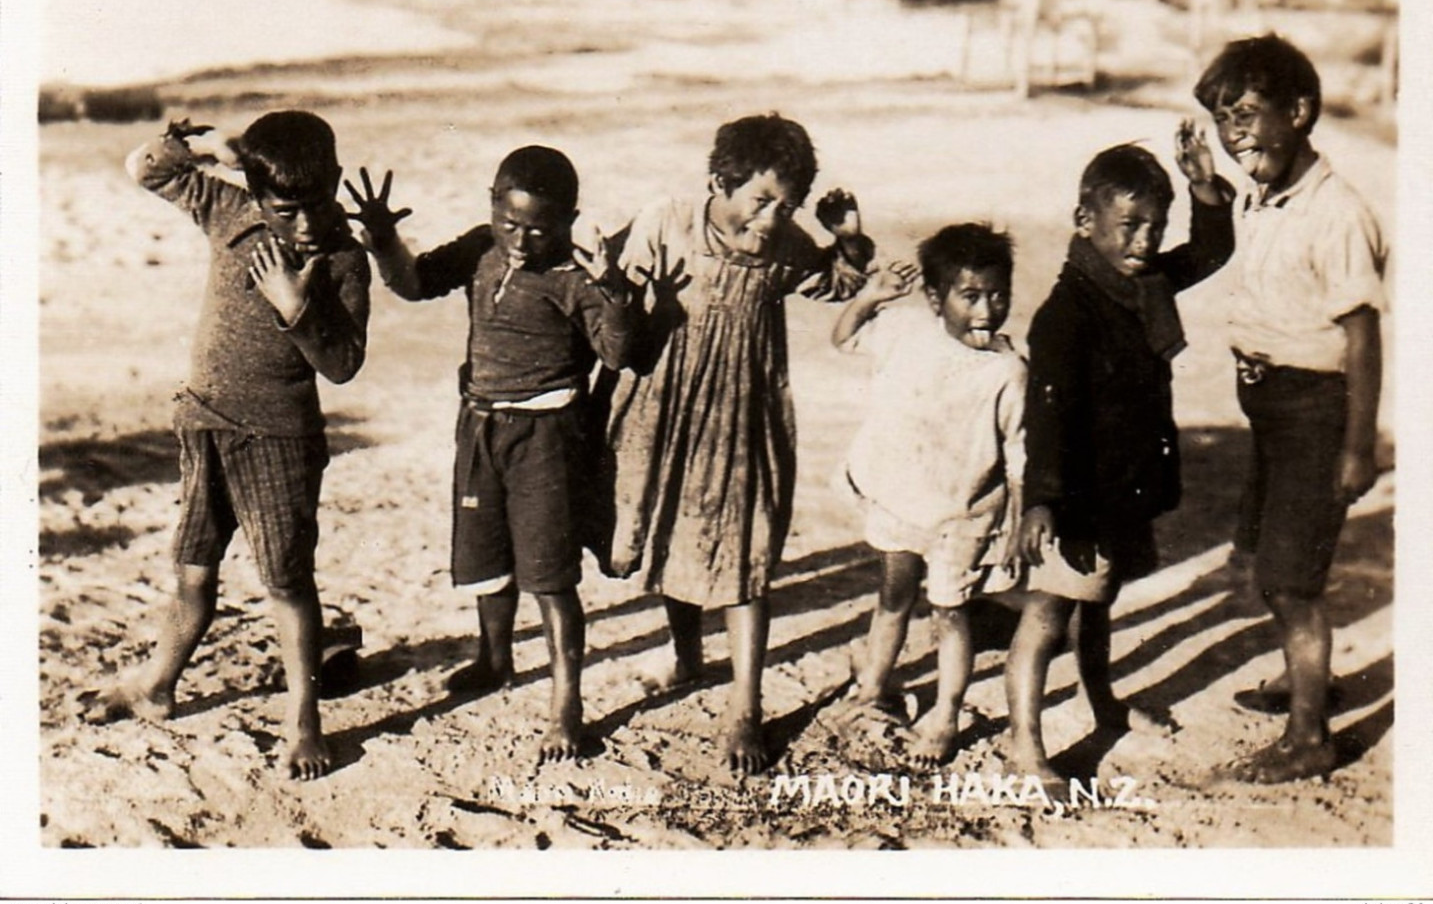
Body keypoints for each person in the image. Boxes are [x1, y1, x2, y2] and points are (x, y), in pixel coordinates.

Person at [84, 111, 371, 782]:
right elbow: (147, 170)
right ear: (252, 188)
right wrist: (186, 144)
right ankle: (156, 683)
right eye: (284, 210)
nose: (302, 225)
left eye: (315, 205)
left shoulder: (344, 259)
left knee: (286, 580)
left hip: (279, 440)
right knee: (191, 567)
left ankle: (304, 719)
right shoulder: (229, 210)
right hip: (204, 420)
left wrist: (295, 306)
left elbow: (344, 363)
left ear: (335, 179)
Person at [599, 113, 874, 775]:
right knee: (673, 535)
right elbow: (612, 302)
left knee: (745, 554)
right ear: (720, 181)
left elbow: (831, 283)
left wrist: (848, 240)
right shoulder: (666, 221)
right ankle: (688, 654)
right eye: (761, 199)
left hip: (744, 415)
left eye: (790, 205)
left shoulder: (783, 245)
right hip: (663, 410)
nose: (775, 217)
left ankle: (745, 708)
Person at [347, 147, 638, 764]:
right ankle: (495, 659)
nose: (523, 239)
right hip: (479, 425)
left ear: (570, 220)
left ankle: (567, 708)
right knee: (487, 555)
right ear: (492, 206)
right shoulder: (482, 246)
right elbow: (415, 282)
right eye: (511, 222)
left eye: (540, 227)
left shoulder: (574, 277)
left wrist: (612, 288)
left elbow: (615, 353)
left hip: (546, 439)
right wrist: (381, 239)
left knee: (550, 576)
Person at [1192, 34, 1386, 783]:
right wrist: (1206, 183)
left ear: (1299, 112)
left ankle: (1309, 736)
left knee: (1289, 579)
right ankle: (1298, 681)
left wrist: (1357, 445)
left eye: (1245, 115)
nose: (1234, 135)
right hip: (1273, 413)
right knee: (1271, 558)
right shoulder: (1264, 191)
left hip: (1314, 412)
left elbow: (1362, 336)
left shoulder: (1335, 214)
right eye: (1220, 120)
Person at [1012, 139, 1234, 791]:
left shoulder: (1140, 285)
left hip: (1121, 483)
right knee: (1050, 610)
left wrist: (1203, 189)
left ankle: (1102, 702)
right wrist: (1041, 499)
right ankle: (1021, 742)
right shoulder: (1065, 314)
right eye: (1127, 226)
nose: (1143, 241)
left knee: (1099, 599)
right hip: (1075, 493)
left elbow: (1210, 252)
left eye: (1154, 228)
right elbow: (1046, 415)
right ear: (1085, 221)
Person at [832, 225, 1026, 768]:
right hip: (901, 500)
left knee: (950, 614)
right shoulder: (907, 332)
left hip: (961, 518)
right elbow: (844, 337)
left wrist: (1014, 524)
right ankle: (873, 686)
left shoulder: (1009, 371)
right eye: (970, 296)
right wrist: (872, 295)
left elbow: (1018, 455)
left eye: (998, 295)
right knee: (893, 596)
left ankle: (945, 713)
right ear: (937, 300)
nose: (987, 309)